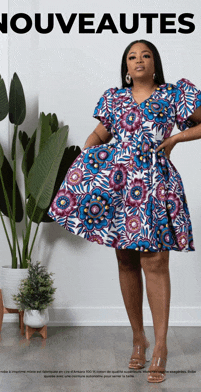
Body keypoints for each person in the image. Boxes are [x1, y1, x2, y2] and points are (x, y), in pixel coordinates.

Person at [48, 39, 201, 383]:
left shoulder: (175, 95)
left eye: (146, 55)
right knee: (126, 259)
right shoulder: (114, 99)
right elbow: (96, 137)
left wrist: (176, 138)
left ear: (155, 63)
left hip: (156, 183)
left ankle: (160, 346)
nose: (139, 60)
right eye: (132, 57)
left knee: (156, 260)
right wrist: (87, 167)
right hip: (119, 188)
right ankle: (138, 339)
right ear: (126, 67)